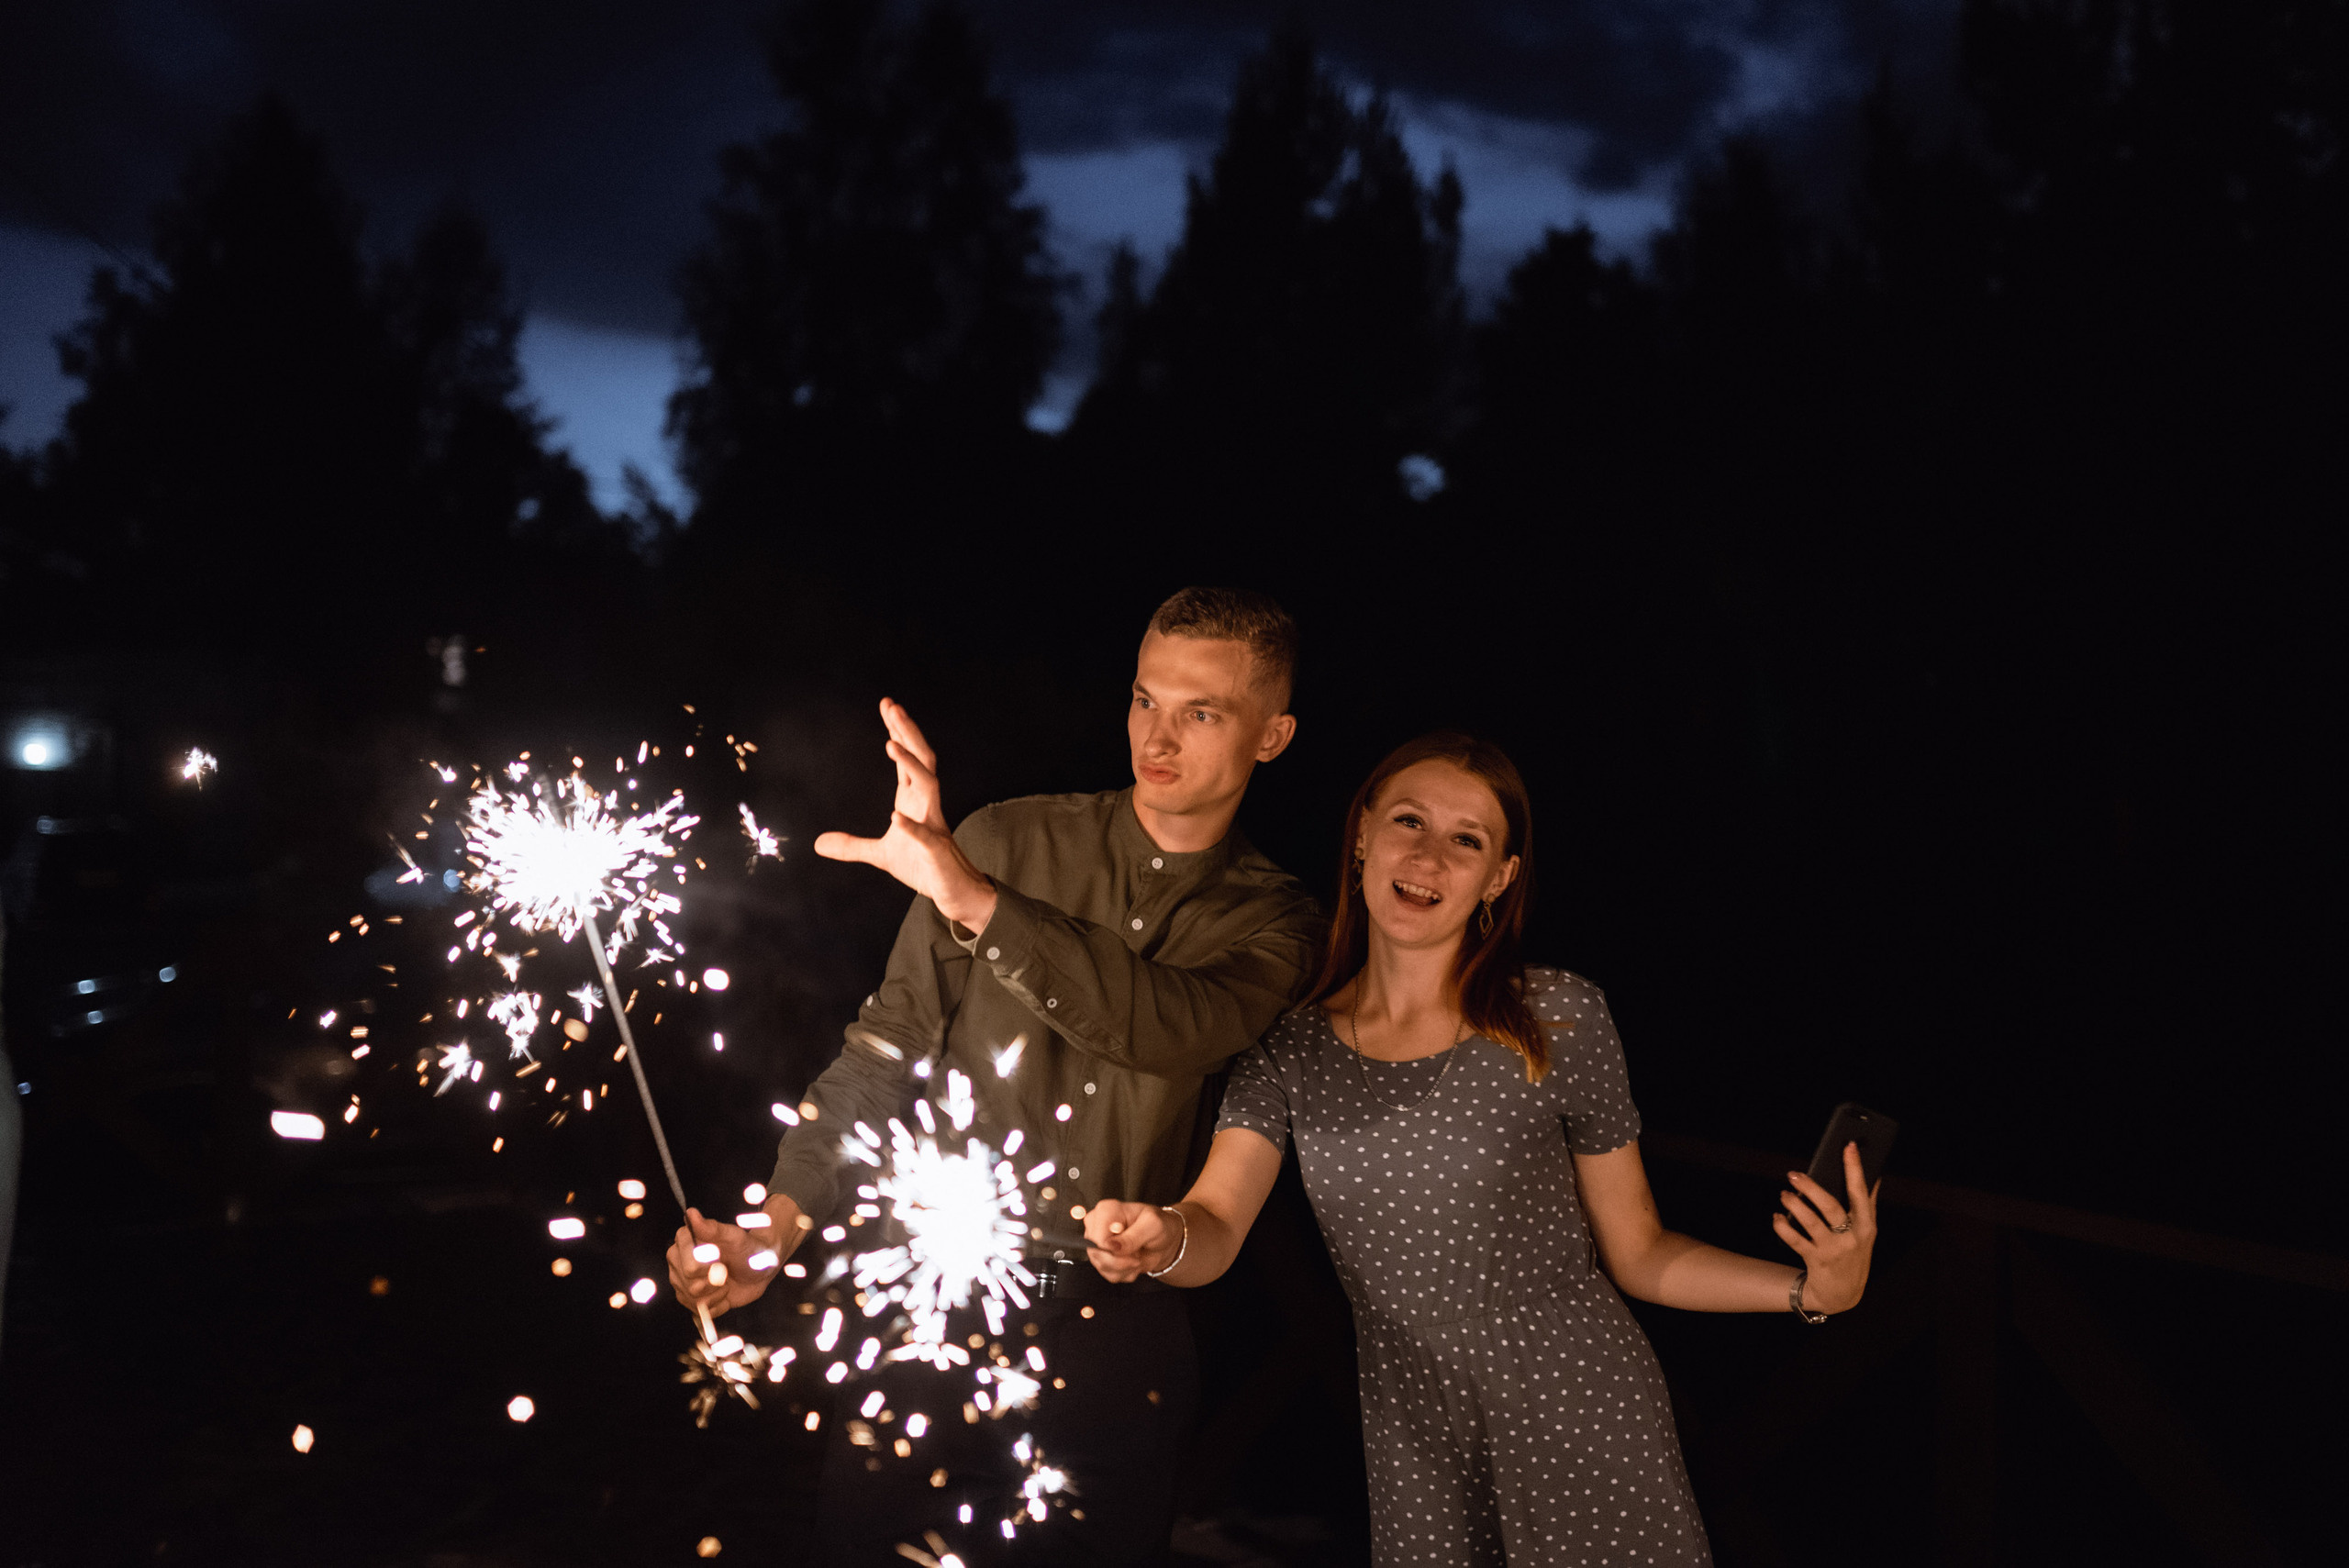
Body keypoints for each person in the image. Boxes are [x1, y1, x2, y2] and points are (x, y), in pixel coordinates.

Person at [1084, 731, 1882, 1567]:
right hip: (1413, 1433)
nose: (1428, 856)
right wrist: (1160, 1236)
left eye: (1466, 839)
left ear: (1499, 875)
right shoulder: (1290, 1047)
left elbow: (1641, 1253)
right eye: (1409, 821)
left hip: (1580, 1412)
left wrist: (1808, 1292)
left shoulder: (1558, 1017)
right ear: (1362, 832)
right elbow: (1213, 1219)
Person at [666, 587, 1324, 1566]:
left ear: (1272, 735)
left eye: (1201, 712)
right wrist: (777, 1223)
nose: (1158, 734)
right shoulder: (1007, 837)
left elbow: (1160, 1025)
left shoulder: (1277, 923)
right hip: (927, 1302)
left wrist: (973, 898)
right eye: (1146, 698)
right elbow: (884, 1048)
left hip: (1116, 1337)